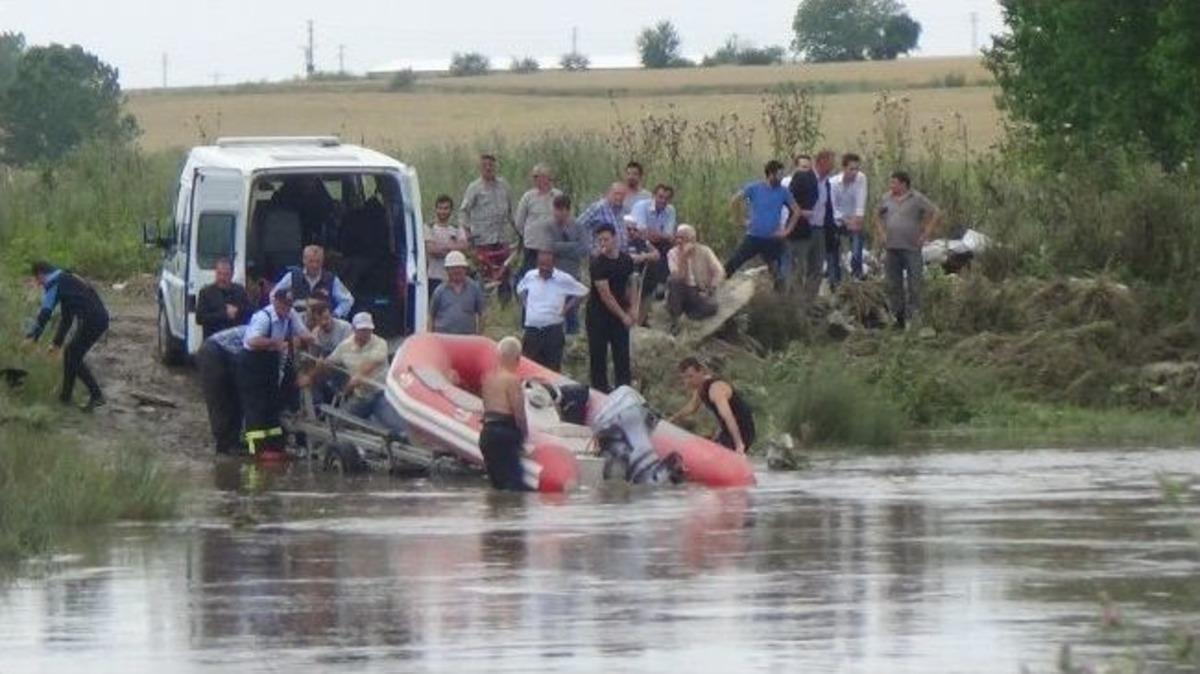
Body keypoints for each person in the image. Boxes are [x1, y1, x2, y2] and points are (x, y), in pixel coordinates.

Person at [24, 261, 110, 412]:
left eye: (38, 280)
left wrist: (32, 337)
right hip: (98, 318)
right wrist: (57, 343)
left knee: (73, 355)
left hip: (93, 319)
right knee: (70, 353)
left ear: (41, 274)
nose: (39, 284)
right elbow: (67, 318)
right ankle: (65, 397)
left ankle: (96, 395)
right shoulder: (66, 279)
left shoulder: (54, 282)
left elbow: (45, 313)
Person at [238, 289, 312, 457]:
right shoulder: (263, 317)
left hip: (270, 362)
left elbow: (303, 333)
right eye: (284, 306)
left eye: (289, 306)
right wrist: (275, 343)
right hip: (252, 362)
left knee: (272, 402)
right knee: (256, 405)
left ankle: (274, 446)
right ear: (276, 302)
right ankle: (255, 448)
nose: (287, 310)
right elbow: (252, 340)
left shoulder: (290, 314)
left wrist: (311, 339)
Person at [875, 171, 941, 329]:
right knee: (894, 284)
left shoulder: (916, 198)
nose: (891, 186)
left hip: (911, 247)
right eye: (891, 183)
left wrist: (926, 234)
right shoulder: (886, 198)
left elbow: (936, 212)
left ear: (904, 184)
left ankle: (915, 317)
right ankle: (899, 318)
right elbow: (876, 215)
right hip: (892, 247)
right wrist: (882, 233)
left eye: (894, 183)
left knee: (915, 283)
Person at [724, 160, 801, 284]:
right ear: (771, 174)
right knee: (733, 262)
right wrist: (739, 219)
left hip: (772, 237)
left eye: (782, 174)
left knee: (779, 271)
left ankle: (780, 298)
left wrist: (787, 231)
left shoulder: (783, 191)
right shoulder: (754, 187)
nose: (781, 177)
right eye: (779, 174)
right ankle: (716, 286)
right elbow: (735, 200)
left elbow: (796, 211)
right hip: (754, 236)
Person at [516, 250, 588, 371]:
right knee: (529, 368)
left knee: (552, 369)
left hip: (552, 331)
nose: (543, 268)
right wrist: (526, 304)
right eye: (541, 265)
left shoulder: (563, 279)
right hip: (532, 331)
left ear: (554, 264)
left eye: (546, 265)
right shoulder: (530, 276)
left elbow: (583, 292)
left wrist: (566, 308)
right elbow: (520, 289)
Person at [587, 224, 638, 393]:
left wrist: (633, 308)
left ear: (614, 238)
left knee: (622, 355)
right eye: (600, 240)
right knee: (598, 355)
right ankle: (600, 391)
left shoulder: (626, 259)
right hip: (598, 315)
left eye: (606, 239)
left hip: (620, 313)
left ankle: (624, 391)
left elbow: (632, 284)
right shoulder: (597, 263)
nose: (603, 243)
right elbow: (605, 295)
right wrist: (623, 316)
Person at [669, 358, 756, 454]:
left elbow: (728, 417)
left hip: (742, 432)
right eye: (684, 378)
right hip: (727, 431)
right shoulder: (701, 388)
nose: (688, 381)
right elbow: (691, 407)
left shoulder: (715, 389)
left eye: (690, 376)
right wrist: (671, 419)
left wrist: (739, 444)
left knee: (708, 452)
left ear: (701, 371)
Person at [479, 336, 531, 492]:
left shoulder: (487, 378)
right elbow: (519, 414)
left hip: (487, 434)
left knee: (498, 487)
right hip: (505, 433)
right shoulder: (512, 380)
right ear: (517, 358)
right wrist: (524, 435)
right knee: (517, 490)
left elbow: (486, 407)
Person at [196, 325, 247, 454]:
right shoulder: (266, 335)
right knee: (219, 399)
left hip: (228, 353)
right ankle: (224, 445)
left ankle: (233, 441)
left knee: (235, 400)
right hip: (212, 352)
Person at [459, 152, 516, 265]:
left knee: (503, 272)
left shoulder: (504, 186)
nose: (488, 168)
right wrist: (467, 232)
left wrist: (518, 232)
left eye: (491, 165)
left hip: (502, 239)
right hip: (483, 241)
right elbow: (463, 211)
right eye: (485, 165)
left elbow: (512, 212)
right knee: (486, 273)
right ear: (480, 168)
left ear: (495, 167)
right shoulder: (474, 187)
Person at [545, 194, 590, 336]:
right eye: (555, 209)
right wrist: (572, 246)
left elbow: (584, 249)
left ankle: (573, 339)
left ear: (566, 210)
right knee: (554, 310)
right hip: (554, 275)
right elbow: (549, 247)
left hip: (572, 274)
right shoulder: (549, 226)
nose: (556, 213)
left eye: (559, 210)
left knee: (572, 311)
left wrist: (561, 248)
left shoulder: (578, 226)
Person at [273, 245, 354, 318]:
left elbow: (348, 300)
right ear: (304, 260)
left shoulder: (331, 279)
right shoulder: (292, 276)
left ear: (323, 261)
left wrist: (335, 315)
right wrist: (284, 313)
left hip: (322, 324)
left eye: (318, 261)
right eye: (311, 261)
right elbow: (274, 295)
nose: (314, 265)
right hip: (297, 324)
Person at [667, 224, 725, 323]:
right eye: (677, 237)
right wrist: (683, 257)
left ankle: (689, 317)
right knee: (673, 281)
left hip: (699, 291)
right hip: (681, 291)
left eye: (683, 238)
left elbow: (719, 271)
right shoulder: (672, 253)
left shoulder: (705, 251)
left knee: (713, 306)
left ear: (693, 239)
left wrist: (711, 288)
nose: (679, 241)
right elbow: (678, 276)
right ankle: (676, 319)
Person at [514, 163, 562, 278]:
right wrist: (528, 235)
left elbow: (564, 219)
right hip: (532, 246)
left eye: (537, 176)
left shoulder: (558, 195)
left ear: (546, 177)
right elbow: (519, 222)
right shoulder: (528, 197)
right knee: (530, 275)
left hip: (552, 246)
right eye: (533, 177)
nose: (534, 179)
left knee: (552, 275)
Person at [631, 183, 677, 301]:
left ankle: (662, 284)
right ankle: (651, 288)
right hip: (637, 241)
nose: (663, 201)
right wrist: (660, 235)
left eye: (667, 198)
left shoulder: (670, 210)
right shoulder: (641, 206)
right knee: (654, 251)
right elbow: (640, 232)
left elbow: (670, 236)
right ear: (653, 196)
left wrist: (655, 234)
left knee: (670, 248)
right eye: (660, 197)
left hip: (660, 243)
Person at [830, 153, 869, 282]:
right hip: (837, 221)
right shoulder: (833, 183)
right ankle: (835, 279)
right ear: (844, 168)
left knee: (857, 246)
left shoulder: (861, 178)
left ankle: (857, 274)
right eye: (851, 169)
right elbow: (832, 207)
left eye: (857, 169)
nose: (855, 172)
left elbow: (860, 201)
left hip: (853, 219)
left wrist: (857, 219)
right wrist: (845, 221)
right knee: (833, 250)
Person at [783, 153, 819, 295]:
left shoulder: (812, 183)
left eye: (809, 168)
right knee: (787, 265)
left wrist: (804, 213)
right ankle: (785, 296)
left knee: (801, 268)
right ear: (795, 167)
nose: (806, 171)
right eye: (803, 167)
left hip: (804, 230)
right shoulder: (785, 183)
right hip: (788, 229)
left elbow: (813, 205)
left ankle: (798, 298)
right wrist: (800, 212)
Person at [429, 251, 486, 335]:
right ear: (447, 270)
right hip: (443, 338)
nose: (456, 271)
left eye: (459, 267)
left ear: (465, 269)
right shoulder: (439, 290)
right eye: (452, 268)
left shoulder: (474, 289)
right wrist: (431, 337)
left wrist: (479, 335)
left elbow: (482, 314)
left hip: (467, 339)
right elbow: (431, 316)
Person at [196, 257, 252, 339]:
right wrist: (224, 314)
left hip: (234, 341)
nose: (222, 278)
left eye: (226, 274)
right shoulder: (206, 292)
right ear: (215, 273)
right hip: (213, 342)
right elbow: (200, 318)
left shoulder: (239, 290)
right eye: (219, 273)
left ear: (232, 274)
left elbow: (250, 311)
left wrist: (237, 311)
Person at [424, 194, 469, 296]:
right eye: (440, 208)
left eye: (446, 208)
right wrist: (453, 248)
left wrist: (443, 247)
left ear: (451, 210)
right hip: (434, 277)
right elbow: (432, 250)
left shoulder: (457, 228)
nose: (443, 211)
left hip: (453, 278)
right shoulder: (428, 228)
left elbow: (465, 247)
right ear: (436, 209)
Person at [577, 183, 629, 251]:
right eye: (616, 193)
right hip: (600, 256)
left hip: (619, 257)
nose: (619, 197)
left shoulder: (622, 211)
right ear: (608, 193)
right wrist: (589, 247)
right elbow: (578, 226)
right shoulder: (598, 207)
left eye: (622, 195)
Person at [305, 292, 352, 357]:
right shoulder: (315, 333)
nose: (324, 322)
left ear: (331, 315)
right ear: (315, 321)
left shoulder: (345, 327)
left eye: (326, 318)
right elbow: (313, 357)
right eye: (320, 320)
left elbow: (349, 351)